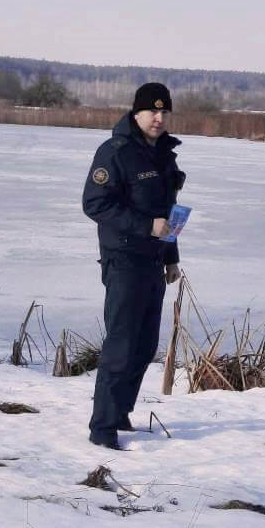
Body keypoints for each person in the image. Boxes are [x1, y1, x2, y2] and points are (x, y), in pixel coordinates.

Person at [82, 82, 186, 449]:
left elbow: (169, 213)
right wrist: (145, 226)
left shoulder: (164, 155)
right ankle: (103, 427)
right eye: (152, 112)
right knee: (122, 343)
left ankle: (121, 410)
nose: (158, 118)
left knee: (144, 345)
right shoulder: (115, 152)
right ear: (136, 113)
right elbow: (95, 204)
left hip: (154, 262)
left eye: (164, 112)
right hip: (124, 260)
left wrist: (171, 256)